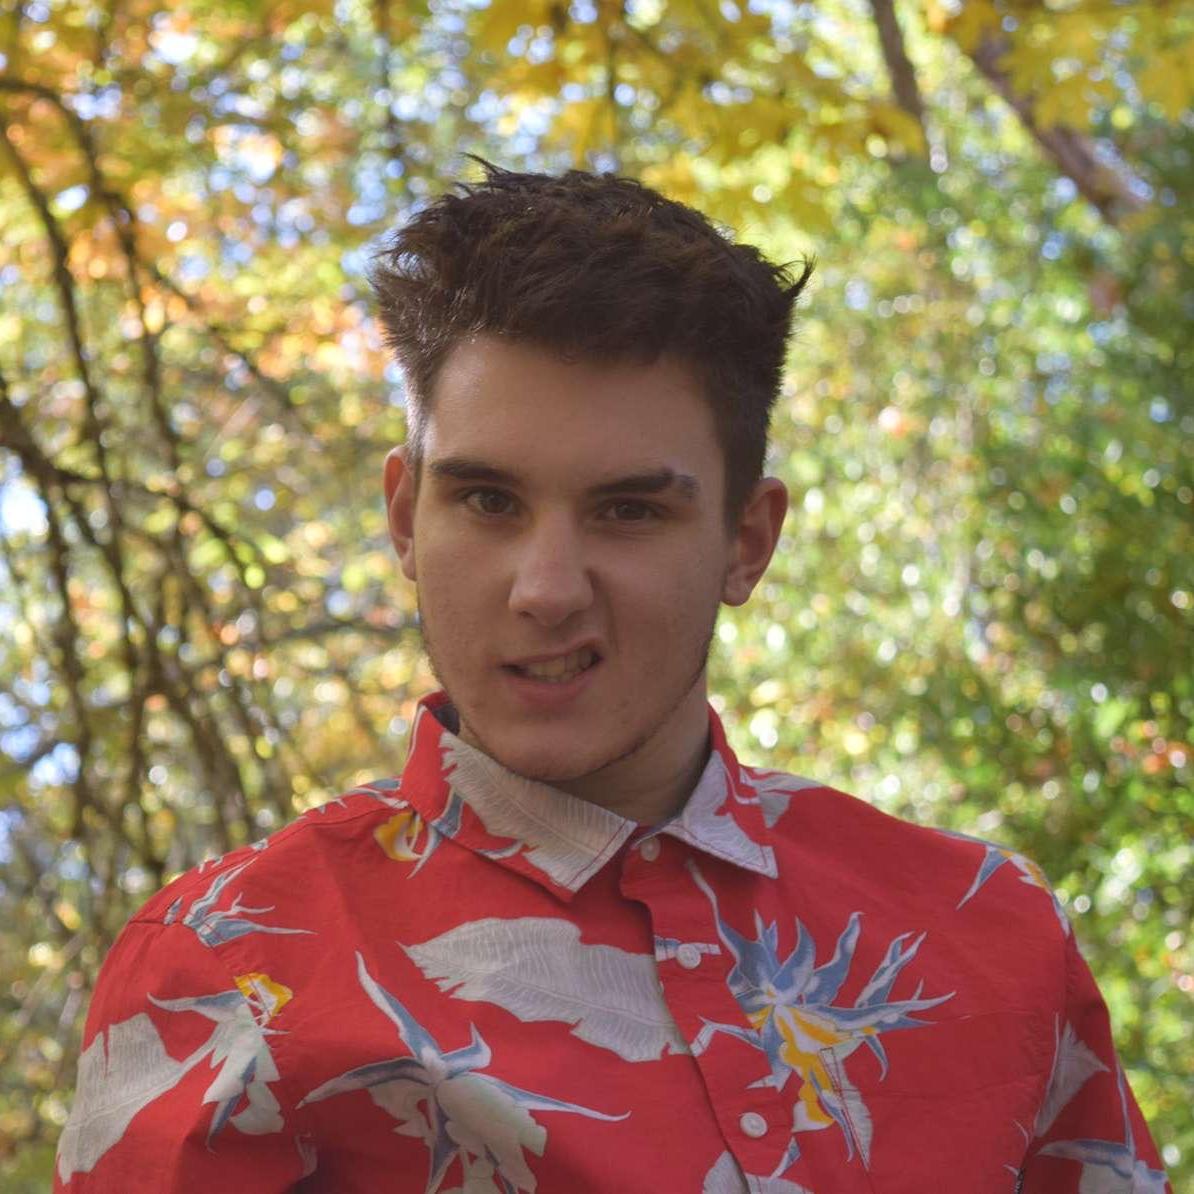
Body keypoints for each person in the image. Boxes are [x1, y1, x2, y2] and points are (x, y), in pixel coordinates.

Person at [55, 163, 1169, 1194]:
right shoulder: (230, 971)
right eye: (487, 500)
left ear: (746, 541)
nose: (546, 589)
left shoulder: (992, 935)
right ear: (404, 517)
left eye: (629, 510)